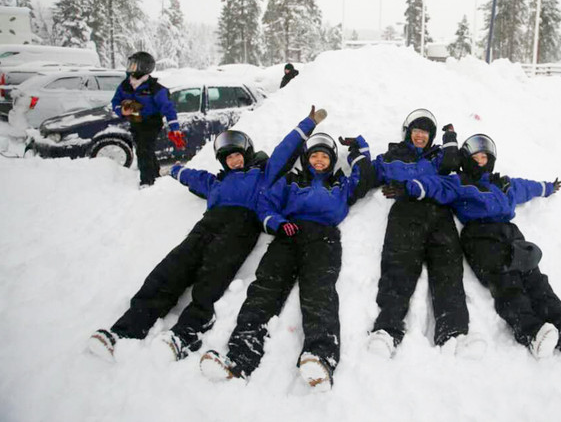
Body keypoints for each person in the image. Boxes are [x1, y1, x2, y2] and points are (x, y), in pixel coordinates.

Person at [87, 106, 328, 363]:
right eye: (228, 158)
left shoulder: (263, 175)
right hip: (207, 226)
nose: (234, 161)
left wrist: (308, 123)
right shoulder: (218, 183)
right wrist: (177, 170)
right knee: (171, 269)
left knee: (213, 277)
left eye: (237, 155)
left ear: (246, 153)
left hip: (240, 228)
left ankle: (187, 332)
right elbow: (197, 178)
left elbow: (285, 150)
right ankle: (126, 329)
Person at [384, 134, 561, 359]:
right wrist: (410, 187)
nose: (481, 161)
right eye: (476, 157)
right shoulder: (460, 181)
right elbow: (437, 185)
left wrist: (547, 187)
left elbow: (526, 188)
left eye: (485, 157)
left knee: (534, 277)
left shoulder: (503, 183)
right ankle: (532, 332)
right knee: (506, 281)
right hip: (480, 235)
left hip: (510, 232)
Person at [199, 132, 374, 392]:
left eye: (324, 156)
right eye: (314, 155)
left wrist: (361, 147)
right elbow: (266, 204)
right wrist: (278, 224)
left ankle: (321, 356)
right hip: (289, 234)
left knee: (319, 292)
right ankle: (241, 355)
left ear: (331, 160)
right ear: (305, 159)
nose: (318, 160)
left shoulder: (341, 183)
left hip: (323, 239)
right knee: (265, 289)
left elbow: (365, 177)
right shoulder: (291, 180)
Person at [367, 109, 482, 359]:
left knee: (448, 267)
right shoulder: (393, 155)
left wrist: (450, 137)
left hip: (439, 213)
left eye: (426, 133)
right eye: (417, 131)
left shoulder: (438, 156)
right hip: (406, 213)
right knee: (399, 265)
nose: (421, 136)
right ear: (408, 133)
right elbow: (369, 174)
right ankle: (387, 329)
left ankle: (454, 331)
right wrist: (357, 154)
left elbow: (452, 173)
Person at [111, 51, 185, 187]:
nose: (130, 68)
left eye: (134, 65)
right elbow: (115, 102)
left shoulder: (154, 88)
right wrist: (121, 110)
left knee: (143, 150)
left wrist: (175, 128)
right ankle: (155, 175)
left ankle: (147, 181)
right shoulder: (125, 85)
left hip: (152, 123)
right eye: (130, 65)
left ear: (144, 68)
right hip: (135, 122)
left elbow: (168, 108)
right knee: (145, 149)